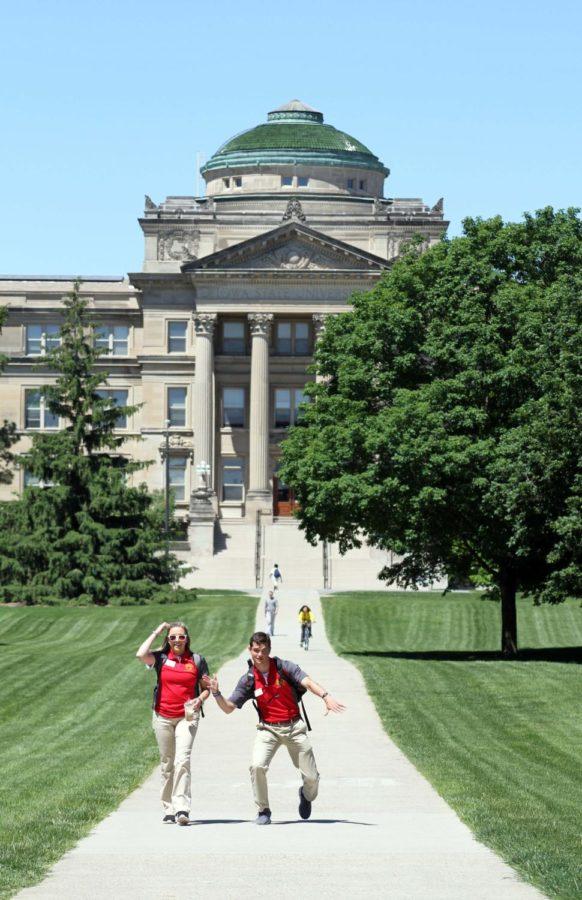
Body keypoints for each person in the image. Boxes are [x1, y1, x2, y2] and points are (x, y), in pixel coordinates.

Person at [202, 631, 345, 825]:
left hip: (294, 727)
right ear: (249, 650)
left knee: (312, 778)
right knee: (257, 766)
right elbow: (228, 708)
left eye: (263, 650)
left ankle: (305, 795)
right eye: (255, 650)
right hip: (268, 729)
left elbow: (308, 682)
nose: (259, 655)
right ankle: (263, 810)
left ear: (269, 650)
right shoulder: (248, 679)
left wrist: (326, 696)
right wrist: (216, 693)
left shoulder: (285, 668)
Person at [136, 620, 209, 825]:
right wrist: (157, 630)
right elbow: (140, 654)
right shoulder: (160, 657)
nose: (177, 640)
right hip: (162, 716)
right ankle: (168, 807)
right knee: (167, 763)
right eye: (173, 637)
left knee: (182, 759)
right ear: (168, 640)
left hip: (187, 716)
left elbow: (206, 687)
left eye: (181, 636)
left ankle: (182, 808)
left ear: (187, 639)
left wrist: (199, 699)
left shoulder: (196, 660)